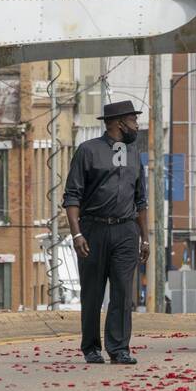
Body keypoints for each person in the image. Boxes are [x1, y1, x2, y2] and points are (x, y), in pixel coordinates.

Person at [62, 99, 150, 365]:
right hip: (93, 229)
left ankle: (119, 348)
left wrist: (145, 237)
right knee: (93, 292)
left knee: (123, 291)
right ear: (118, 123)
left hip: (125, 230)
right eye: (133, 120)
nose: (136, 125)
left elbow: (141, 200)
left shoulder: (134, 153)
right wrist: (77, 234)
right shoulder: (87, 151)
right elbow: (72, 196)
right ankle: (90, 347)